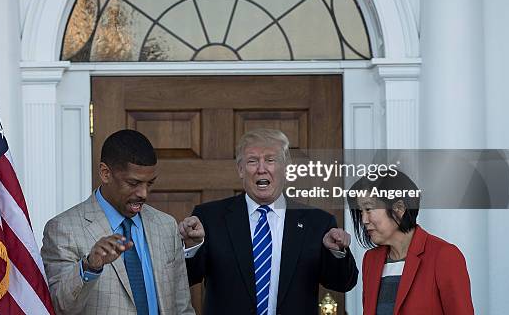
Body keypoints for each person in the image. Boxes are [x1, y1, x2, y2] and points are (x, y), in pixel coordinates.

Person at [179, 128, 358, 315]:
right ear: (240, 170)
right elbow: (184, 279)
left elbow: (343, 283)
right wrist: (192, 246)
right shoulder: (209, 218)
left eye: (270, 160)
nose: (261, 169)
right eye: (252, 161)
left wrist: (337, 252)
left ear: (286, 168)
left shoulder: (318, 223)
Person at [41, 130, 194, 315]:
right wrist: (90, 266)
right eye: (133, 183)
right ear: (105, 173)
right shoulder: (63, 230)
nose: (143, 194)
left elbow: (182, 306)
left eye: (149, 184)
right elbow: (60, 306)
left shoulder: (166, 226)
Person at [348, 170, 474, 315]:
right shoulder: (371, 260)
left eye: (369, 209)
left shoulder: (445, 256)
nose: (364, 220)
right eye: (360, 211)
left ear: (399, 208)